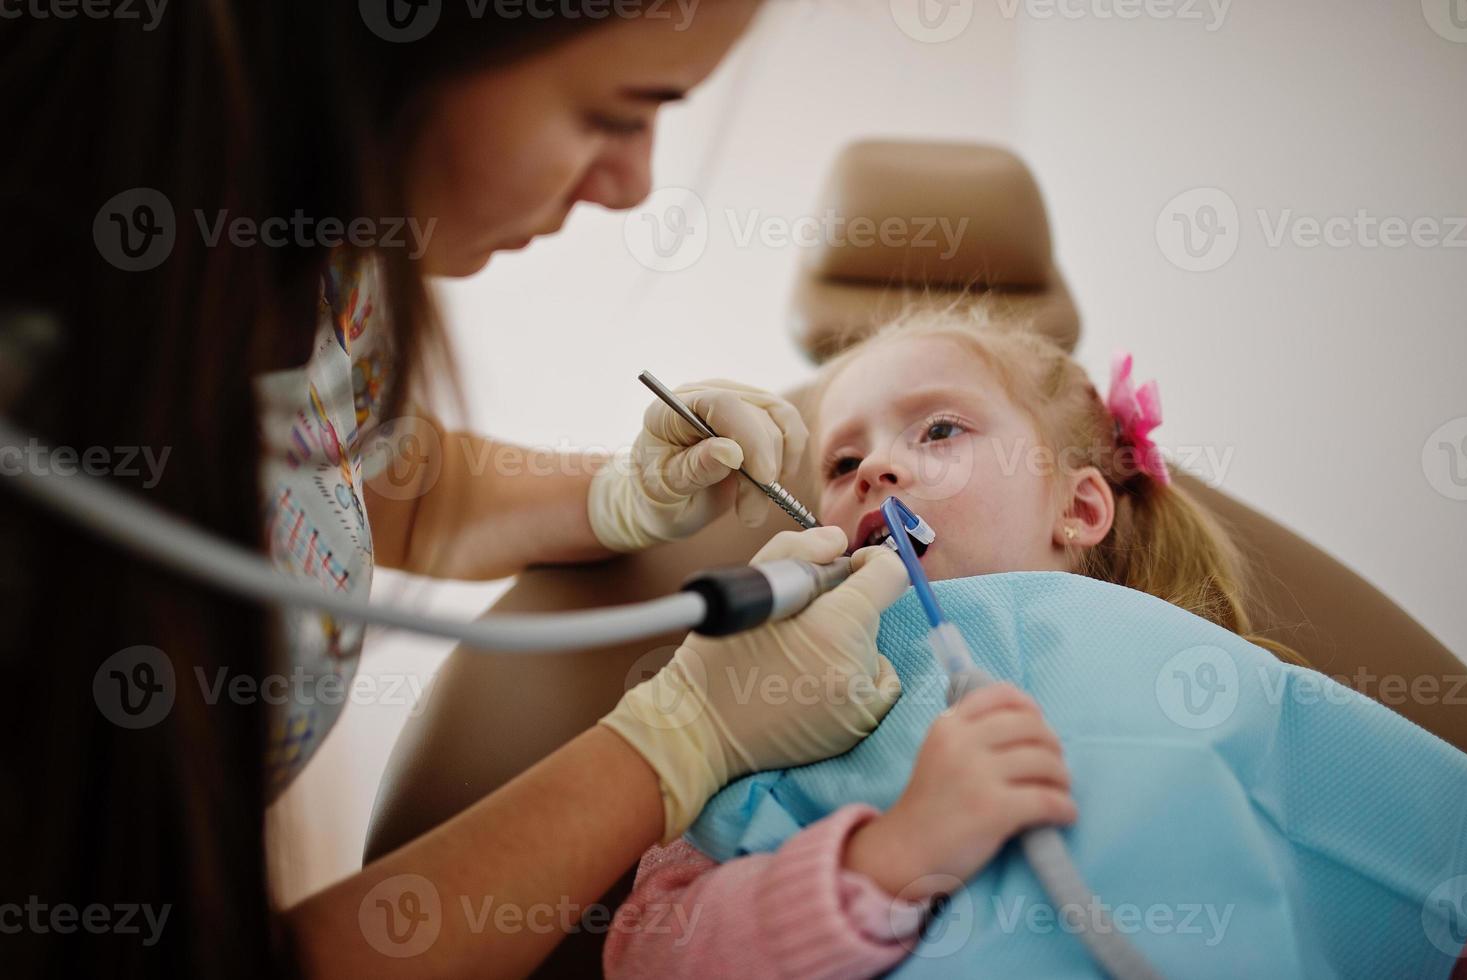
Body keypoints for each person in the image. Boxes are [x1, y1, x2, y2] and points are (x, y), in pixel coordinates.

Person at [0, 3, 912, 977]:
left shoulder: (310, 267)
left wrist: (616, 495)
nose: (632, 183)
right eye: (614, 113)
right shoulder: (42, 475)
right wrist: (681, 742)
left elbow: (361, 481)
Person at [604, 312, 1306, 978]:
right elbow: (649, 955)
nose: (874, 466)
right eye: (842, 462)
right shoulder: (758, 707)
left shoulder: (1196, 673)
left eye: (939, 430)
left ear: (1078, 508)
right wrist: (889, 856)